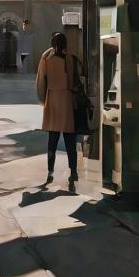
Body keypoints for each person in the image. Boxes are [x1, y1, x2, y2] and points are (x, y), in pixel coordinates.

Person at [36, 31, 82, 192]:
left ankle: (50, 171)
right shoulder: (70, 56)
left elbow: (41, 79)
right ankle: (73, 171)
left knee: (52, 140)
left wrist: (42, 98)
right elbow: (75, 79)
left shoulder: (46, 57)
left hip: (52, 98)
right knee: (70, 139)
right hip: (67, 99)